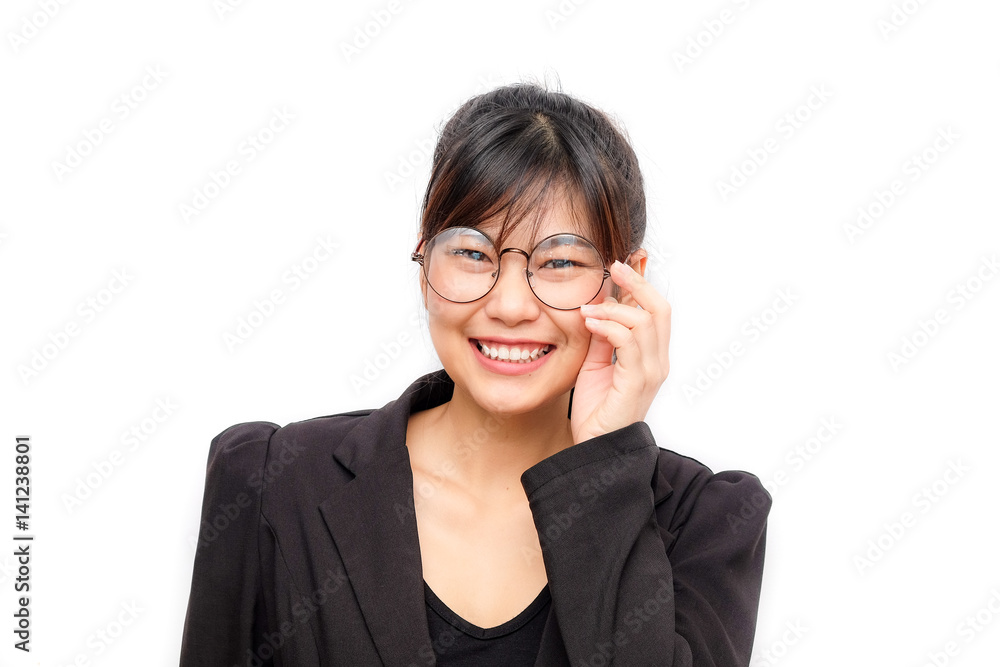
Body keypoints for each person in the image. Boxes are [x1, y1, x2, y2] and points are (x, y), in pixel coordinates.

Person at [179, 83, 770, 667]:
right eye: (472, 253)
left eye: (560, 261)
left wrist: (603, 467)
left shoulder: (707, 523)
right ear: (422, 262)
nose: (511, 305)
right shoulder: (271, 480)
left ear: (626, 283)